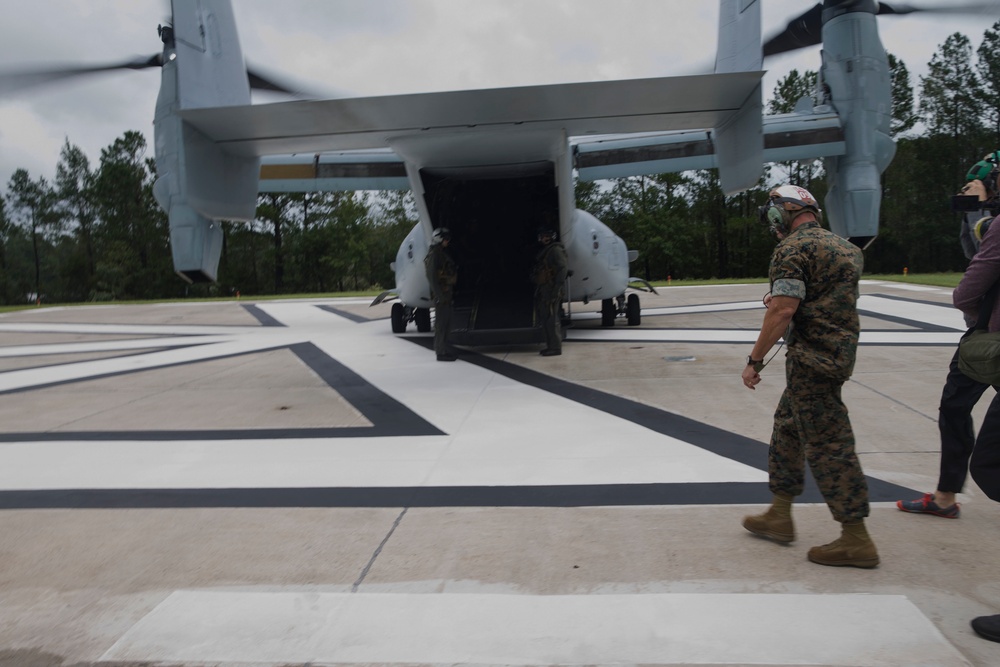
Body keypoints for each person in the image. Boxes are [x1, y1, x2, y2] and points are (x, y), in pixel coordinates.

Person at [741, 184, 878, 568]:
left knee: (829, 444)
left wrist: (755, 360)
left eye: (772, 212)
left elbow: (784, 310)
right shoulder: (846, 248)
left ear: (784, 212)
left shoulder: (791, 249)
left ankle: (856, 538)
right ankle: (780, 514)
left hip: (811, 362)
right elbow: (819, 298)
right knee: (788, 426)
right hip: (835, 356)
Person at [897, 154, 1000, 519]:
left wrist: (981, 215)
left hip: (988, 341)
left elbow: (970, 283)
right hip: (987, 336)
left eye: (974, 187)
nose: (964, 193)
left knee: (963, 422)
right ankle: (944, 496)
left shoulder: (994, 224)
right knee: (955, 409)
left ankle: (944, 497)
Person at [530, 227, 568, 357]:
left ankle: (555, 347)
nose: (544, 239)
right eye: (542, 236)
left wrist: (557, 289)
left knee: (552, 319)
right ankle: (550, 345)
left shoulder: (555, 251)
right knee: (546, 318)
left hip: (551, 290)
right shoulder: (546, 251)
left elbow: (562, 269)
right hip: (545, 289)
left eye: (547, 236)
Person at [424, 227, 459, 362]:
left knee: (447, 323)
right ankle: (440, 352)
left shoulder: (440, 252)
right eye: (446, 239)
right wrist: (439, 295)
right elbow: (431, 277)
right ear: (439, 239)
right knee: (441, 324)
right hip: (442, 295)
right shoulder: (434, 255)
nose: (447, 242)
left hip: (445, 293)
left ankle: (444, 349)